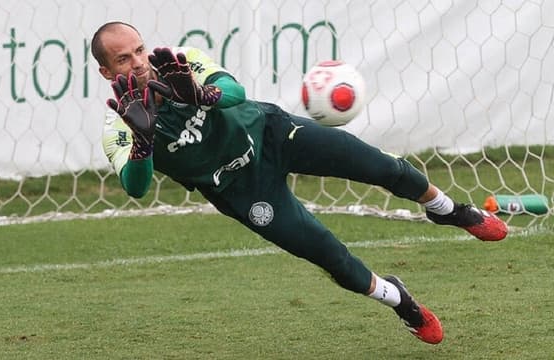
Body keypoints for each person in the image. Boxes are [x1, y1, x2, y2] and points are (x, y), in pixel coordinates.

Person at [91, 21, 508, 345]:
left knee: (383, 168)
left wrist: (204, 95)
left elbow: (234, 90)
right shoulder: (119, 123)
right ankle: (401, 301)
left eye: (139, 49)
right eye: (124, 59)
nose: (139, 62)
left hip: (273, 134)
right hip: (243, 190)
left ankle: (449, 210)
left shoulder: (178, 63)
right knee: (331, 257)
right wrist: (144, 142)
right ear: (106, 70)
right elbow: (135, 185)